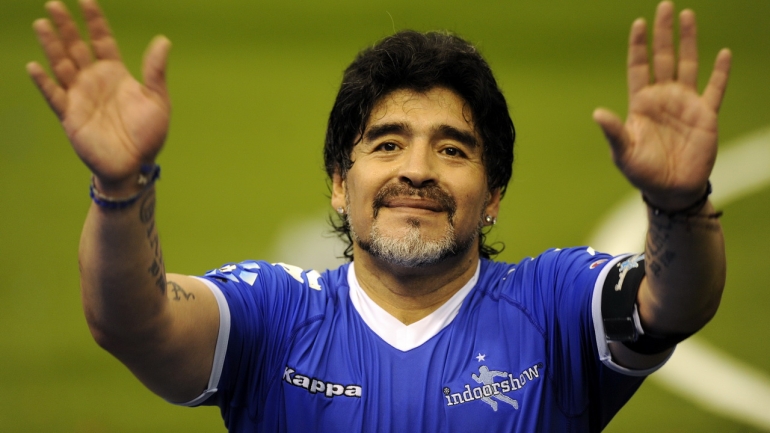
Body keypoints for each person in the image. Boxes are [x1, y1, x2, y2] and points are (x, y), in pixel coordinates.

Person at [27, 0, 731, 431]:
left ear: (492, 197)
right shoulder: (273, 315)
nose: (416, 169)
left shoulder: (553, 303)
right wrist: (120, 184)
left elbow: (672, 303)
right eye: (387, 143)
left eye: (452, 148)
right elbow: (132, 320)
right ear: (340, 183)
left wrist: (678, 202)